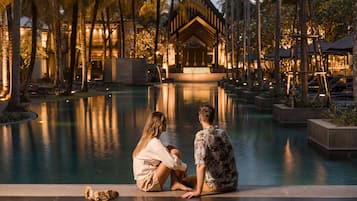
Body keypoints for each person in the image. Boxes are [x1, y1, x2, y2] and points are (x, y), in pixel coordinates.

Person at [182, 104, 238, 198]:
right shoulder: (222, 133)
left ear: (200, 118)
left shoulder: (201, 136)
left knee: (184, 180)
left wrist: (198, 192)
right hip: (232, 184)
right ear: (213, 118)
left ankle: (176, 185)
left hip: (215, 186)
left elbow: (201, 165)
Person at [132, 111, 192, 192]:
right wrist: (184, 167)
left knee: (171, 149)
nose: (166, 124)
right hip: (148, 183)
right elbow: (172, 163)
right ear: (160, 125)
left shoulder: (145, 140)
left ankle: (176, 183)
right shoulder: (154, 143)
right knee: (174, 154)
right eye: (165, 122)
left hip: (140, 182)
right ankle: (179, 182)